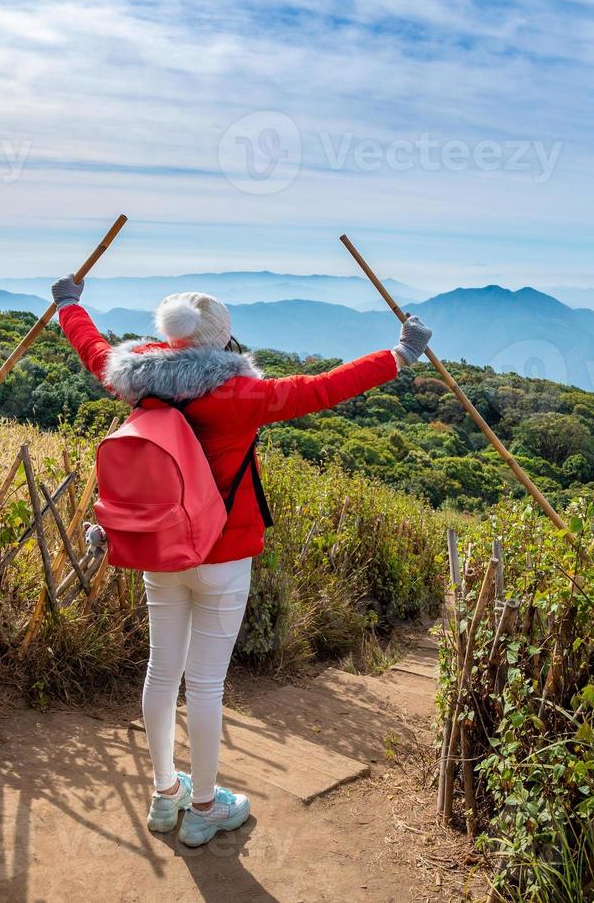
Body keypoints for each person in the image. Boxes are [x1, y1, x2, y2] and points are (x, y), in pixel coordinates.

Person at [51, 275, 432, 847]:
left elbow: (94, 348)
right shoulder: (241, 397)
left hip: (159, 547)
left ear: (171, 337)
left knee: (161, 670)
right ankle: (205, 808)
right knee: (205, 686)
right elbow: (323, 388)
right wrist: (401, 354)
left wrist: (68, 306)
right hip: (223, 554)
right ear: (223, 342)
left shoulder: (133, 380)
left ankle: (163, 797)